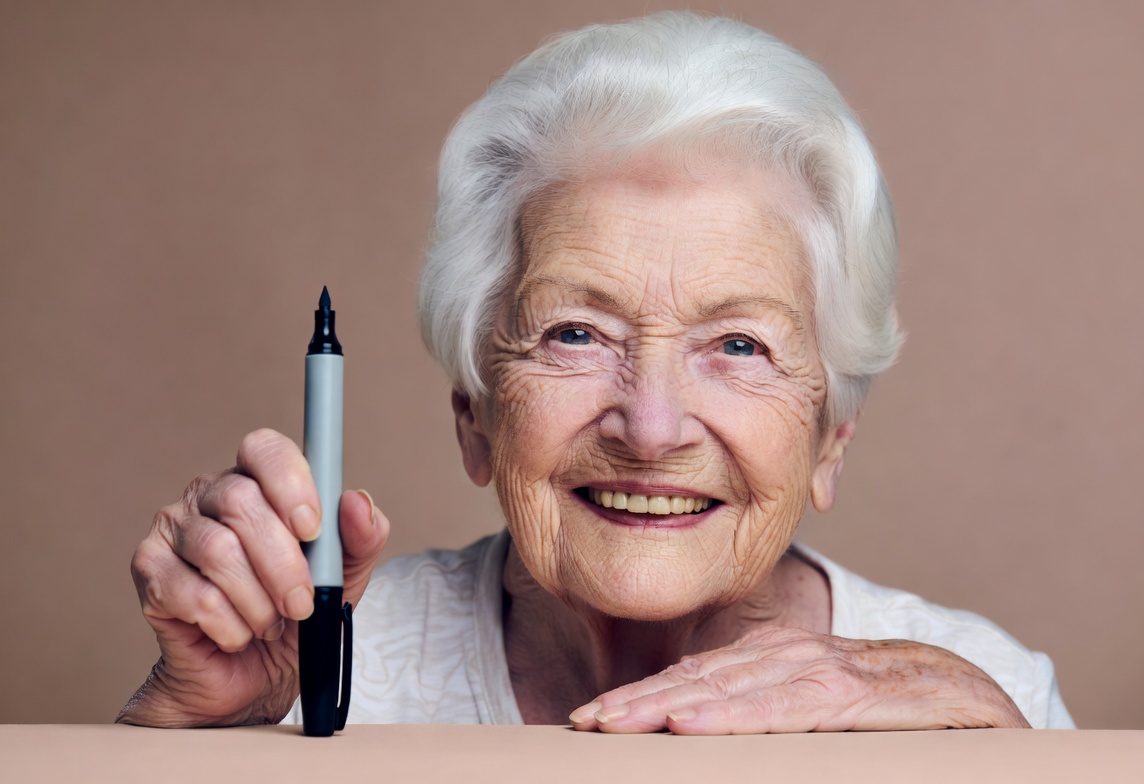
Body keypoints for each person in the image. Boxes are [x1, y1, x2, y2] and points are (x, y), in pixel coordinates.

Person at [118, 12, 1074, 732]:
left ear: (830, 438)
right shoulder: (323, 664)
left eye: (739, 346)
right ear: (475, 414)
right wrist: (192, 737)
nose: (651, 428)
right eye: (576, 334)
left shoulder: (980, 701)